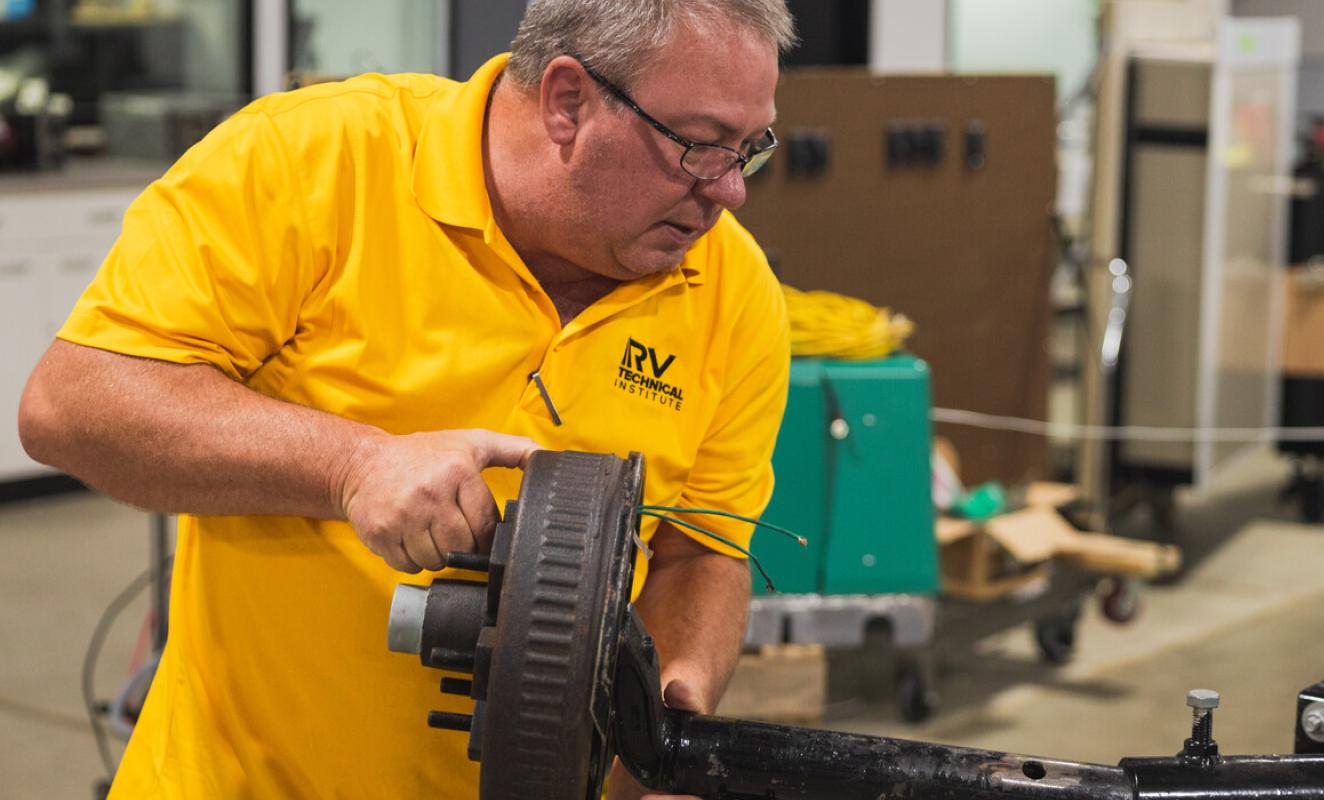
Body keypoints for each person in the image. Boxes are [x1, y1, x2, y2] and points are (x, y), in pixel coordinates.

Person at [16, 0, 795, 796]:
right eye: (699, 147)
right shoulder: (315, 161)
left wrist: (661, 725)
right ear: (568, 102)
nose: (730, 191)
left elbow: (701, 550)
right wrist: (353, 466)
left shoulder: (734, 293)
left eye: (750, 147)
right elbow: (72, 403)